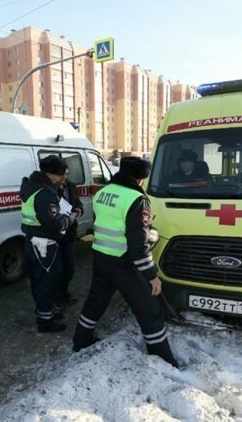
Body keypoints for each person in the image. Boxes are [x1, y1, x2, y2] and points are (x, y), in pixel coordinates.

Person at [72, 157, 179, 367]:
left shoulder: (102, 193)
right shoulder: (136, 199)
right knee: (149, 309)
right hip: (125, 264)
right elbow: (137, 247)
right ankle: (162, 358)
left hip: (101, 258)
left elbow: (103, 226)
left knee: (95, 302)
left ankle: (80, 341)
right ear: (140, 179)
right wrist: (152, 275)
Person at [20, 155, 76, 333]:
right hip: (42, 243)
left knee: (44, 278)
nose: (63, 178)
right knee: (45, 281)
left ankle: (46, 313)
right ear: (51, 174)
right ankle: (45, 322)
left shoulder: (34, 186)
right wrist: (70, 219)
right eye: (60, 174)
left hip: (37, 240)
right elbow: (54, 223)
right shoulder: (44, 193)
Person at [55, 167, 84, 310]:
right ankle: (58, 297)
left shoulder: (70, 187)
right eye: (62, 174)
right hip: (57, 234)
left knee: (70, 268)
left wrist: (78, 210)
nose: (65, 177)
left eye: (67, 174)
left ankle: (63, 292)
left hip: (70, 232)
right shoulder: (51, 189)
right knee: (58, 269)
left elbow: (77, 203)